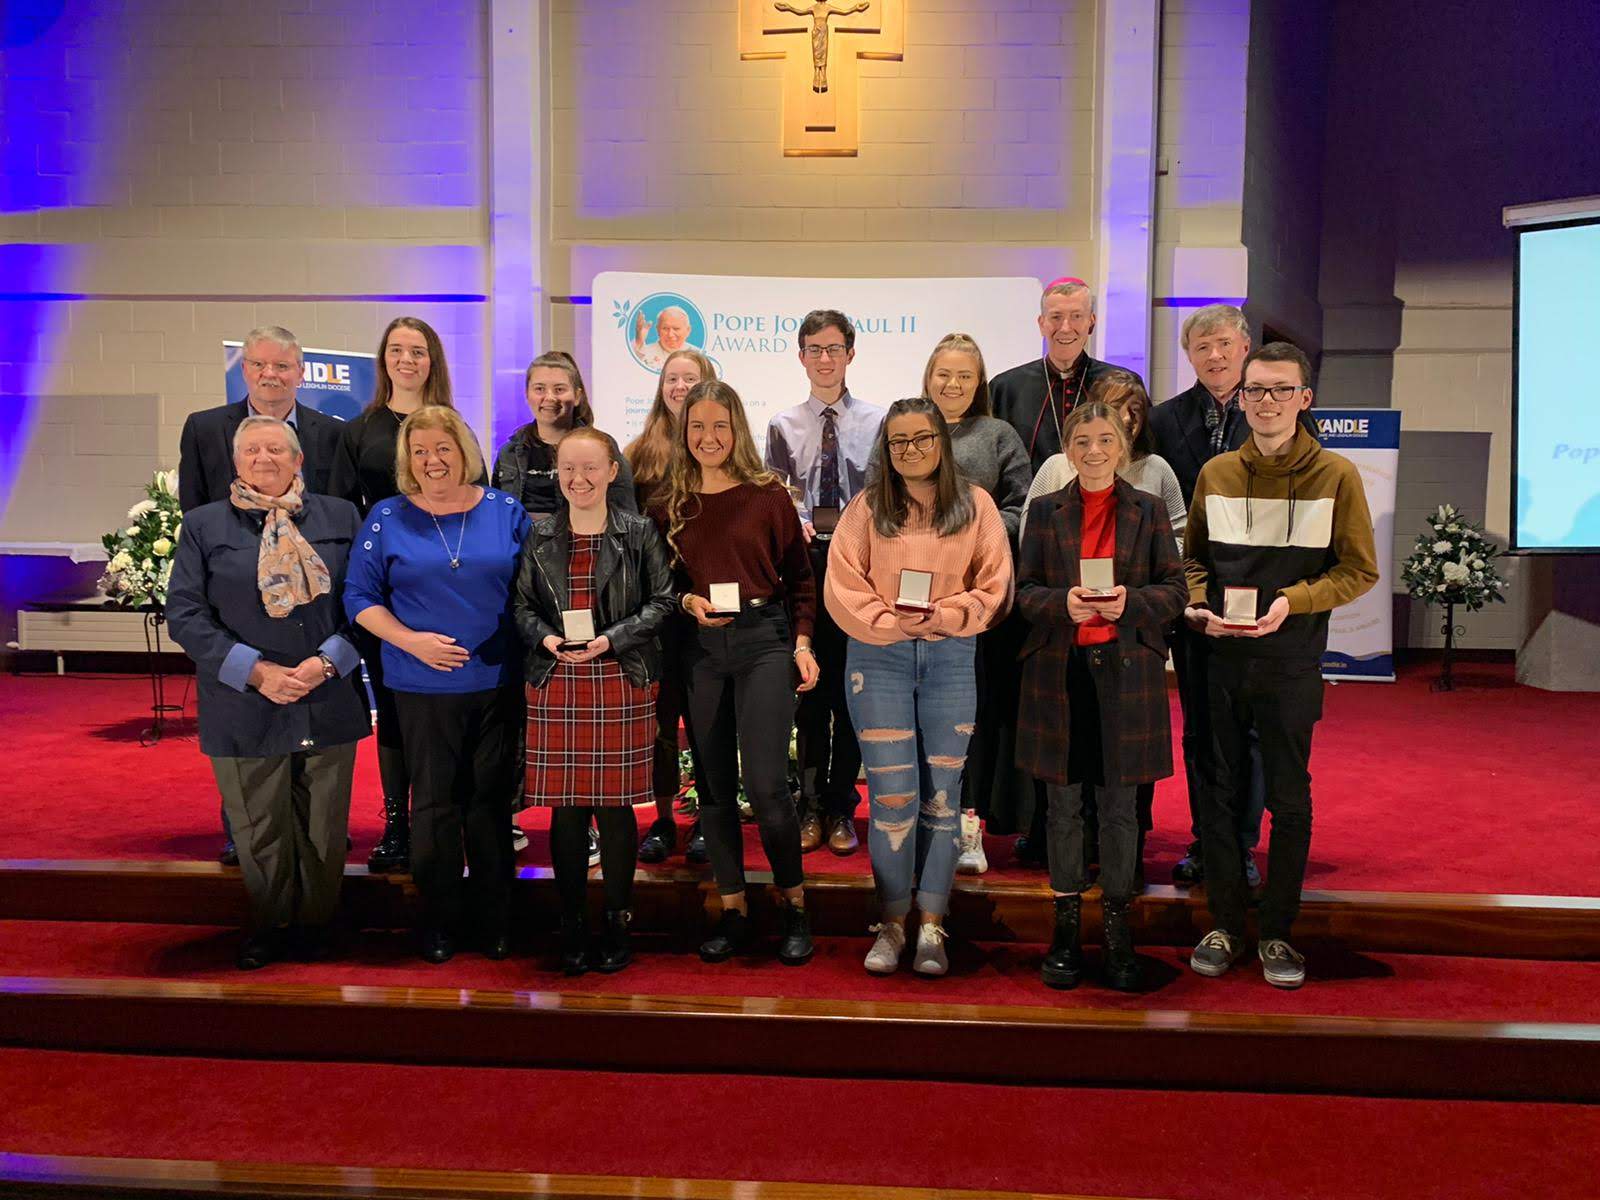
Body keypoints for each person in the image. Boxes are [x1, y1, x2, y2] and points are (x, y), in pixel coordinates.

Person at [1184, 343, 1379, 990]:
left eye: (1280, 390)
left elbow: (1358, 570)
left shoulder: (1336, 475)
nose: (1266, 402)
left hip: (1291, 660)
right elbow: (1193, 561)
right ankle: (1224, 923)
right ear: (1240, 399)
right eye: (1256, 390)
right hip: (1220, 657)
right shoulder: (1215, 472)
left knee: (1288, 798)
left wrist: (1292, 601)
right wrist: (1197, 606)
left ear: (1304, 398)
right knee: (1218, 792)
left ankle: (1276, 931)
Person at [165, 415, 369, 970]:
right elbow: (185, 614)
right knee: (260, 827)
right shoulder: (203, 525)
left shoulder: (342, 517)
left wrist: (329, 662)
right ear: (236, 462)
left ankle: (318, 924)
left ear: (298, 459)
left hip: (325, 693)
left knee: (323, 826)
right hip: (245, 700)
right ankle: (273, 924)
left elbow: (368, 601)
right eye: (251, 450)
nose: (264, 459)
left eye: (276, 449)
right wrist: (257, 672)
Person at [825, 399, 1011, 975]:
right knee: (892, 796)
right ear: (886, 449)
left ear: (941, 442)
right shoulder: (866, 507)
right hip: (877, 656)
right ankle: (890, 922)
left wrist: (944, 615)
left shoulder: (976, 505)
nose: (910, 450)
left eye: (921, 438)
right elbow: (843, 583)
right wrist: (891, 622)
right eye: (898, 441)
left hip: (951, 655)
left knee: (942, 796)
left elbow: (995, 584)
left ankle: (932, 923)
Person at [345, 406, 530, 965]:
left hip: (496, 681)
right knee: (434, 806)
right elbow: (358, 598)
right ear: (407, 459)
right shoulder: (387, 516)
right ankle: (439, 922)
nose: (432, 460)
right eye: (420, 451)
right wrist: (411, 641)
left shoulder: (505, 511)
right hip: (421, 685)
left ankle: (495, 921)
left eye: (443, 448)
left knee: (490, 805)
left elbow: (531, 590)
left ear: (464, 452)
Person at [1015, 403, 1186, 991]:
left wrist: (1130, 604)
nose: (1093, 450)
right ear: (1067, 448)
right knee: (1062, 809)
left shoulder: (1149, 508)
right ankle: (1065, 929)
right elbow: (1024, 591)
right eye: (1082, 440)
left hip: (1126, 672)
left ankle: (1118, 931)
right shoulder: (1045, 511)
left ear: (1123, 446)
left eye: (1105, 439)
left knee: (1119, 810)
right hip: (1059, 672)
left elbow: (1175, 591)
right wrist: (1059, 603)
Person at [662, 380, 820, 964]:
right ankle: (733, 909)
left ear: (737, 431)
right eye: (697, 427)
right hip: (700, 649)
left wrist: (802, 644)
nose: (708, 438)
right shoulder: (670, 501)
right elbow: (662, 587)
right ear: (684, 431)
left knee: (767, 785)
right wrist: (686, 602)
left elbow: (800, 578)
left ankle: (794, 904)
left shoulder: (767, 495)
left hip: (763, 640)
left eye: (720, 426)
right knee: (713, 788)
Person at [178, 324, 346, 867]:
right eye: (258, 364)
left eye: (282, 365)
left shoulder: (331, 433)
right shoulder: (204, 429)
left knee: (318, 779)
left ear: (300, 372)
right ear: (244, 369)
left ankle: (314, 846)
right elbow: (194, 514)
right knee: (249, 763)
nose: (270, 374)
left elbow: (339, 527)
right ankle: (243, 832)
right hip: (239, 607)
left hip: (314, 616)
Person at [513, 428, 676, 975]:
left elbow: (663, 601)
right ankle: (573, 922)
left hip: (620, 678)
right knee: (566, 808)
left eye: (589, 468)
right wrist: (546, 639)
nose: (578, 480)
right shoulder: (539, 533)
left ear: (611, 471)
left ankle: (617, 919)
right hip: (558, 679)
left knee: (614, 807)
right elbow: (520, 607)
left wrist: (612, 639)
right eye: (567, 469)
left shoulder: (638, 531)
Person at [327, 316, 480, 873]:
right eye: (396, 350)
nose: (406, 360)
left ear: (432, 359)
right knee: (393, 709)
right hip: (387, 590)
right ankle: (397, 824)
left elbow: (477, 502)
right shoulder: (358, 431)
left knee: (455, 706)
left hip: (452, 588)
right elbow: (341, 512)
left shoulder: (454, 425)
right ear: (383, 359)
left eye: (417, 350)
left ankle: (454, 817)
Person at [1147, 304, 1265, 887]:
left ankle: (1240, 845)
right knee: (1199, 728)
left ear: (1244, 347)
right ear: (1189, 356)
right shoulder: (1163, 420)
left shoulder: (1274, 414)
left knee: (1249, 728)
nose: (1214, 355)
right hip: (1191, 593)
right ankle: (1205, 839)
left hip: (1260, 597)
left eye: (1223, 344)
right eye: (1201, 347)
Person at [765, 309, 886, 857]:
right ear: (801, 356)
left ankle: (842, 807)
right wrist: (796, 521)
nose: (824, 358)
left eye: (833, 348)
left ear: (850, 354)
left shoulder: (878, 421)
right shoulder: (781, 425)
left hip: (860, 570)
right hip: (805, 568)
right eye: (813, 349)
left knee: (849, 696)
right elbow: (776, 498)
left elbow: (885, 496)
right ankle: (810, 804)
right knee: (810, 696)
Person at [918, 333, 1032, 876]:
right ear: (928, 377)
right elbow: (877, 499)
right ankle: (921, 822)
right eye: (944, 374)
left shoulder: (998, 435)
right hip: (913, 602)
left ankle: (968, 826)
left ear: (979, 382)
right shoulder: (906, 427)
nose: (953, 384)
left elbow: (1021, 507)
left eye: (965, 375)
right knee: (918, 717)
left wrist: (972, 535)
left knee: (972, 718)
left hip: (978, 604)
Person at [626, 349, 718, 866]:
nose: (680, 387)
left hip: (709, 610)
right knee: (660, 726)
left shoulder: (722, 451)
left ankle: (707, 820)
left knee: (706, 722)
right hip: (656, 613)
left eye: (691, 378)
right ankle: (662, 820)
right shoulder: (638, 454)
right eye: (671, 379)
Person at [990, 281, 1121, 473]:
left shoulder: (1119, 384)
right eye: (1056, 317)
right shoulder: (1005, 388)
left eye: (1076, 316)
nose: (1065, 328)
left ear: (1091, 323)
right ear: (1041, 324)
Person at [496, 351, 637, 521]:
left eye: (559, 389)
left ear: (577, 396)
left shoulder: (603, 447)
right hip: (520, 539)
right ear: (527, 395)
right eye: (539, 389)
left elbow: (626, 516)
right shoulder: (509, 452)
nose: (549, 397)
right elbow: (497, 516)